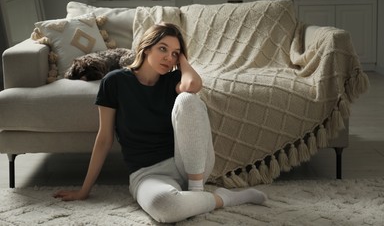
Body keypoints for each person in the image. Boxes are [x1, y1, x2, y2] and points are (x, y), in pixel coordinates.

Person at [54, 22, 267, 223]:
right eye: (163, 49)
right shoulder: (115, 82)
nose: (168, 58)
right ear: (146, 48)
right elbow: (104, 139)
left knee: (188, 99)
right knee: (164, 207)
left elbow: (194, 84)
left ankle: (196, 191)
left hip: (189, 163)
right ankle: (224, 198)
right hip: (147, 173)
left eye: (175, 54)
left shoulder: (174, 81)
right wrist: (84, 190)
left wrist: (182, 60)